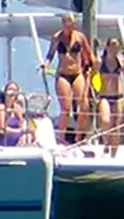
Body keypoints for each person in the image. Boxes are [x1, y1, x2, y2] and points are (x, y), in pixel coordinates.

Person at [40, 14, 95, 145]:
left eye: (71, 23)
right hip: (63, 74)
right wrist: (46, 63)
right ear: (63, 23)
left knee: (85, 106)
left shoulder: (79, 37)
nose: (68, 26)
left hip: (77, 73)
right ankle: (61, 138)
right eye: (66, 23)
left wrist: (92, 66)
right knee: (66, 107)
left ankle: (78, 136)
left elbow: (89, 54)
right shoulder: (57, 38)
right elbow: (50, 54)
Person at [94, 38, 124, 156]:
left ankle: (114, 154)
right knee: (106, 121)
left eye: (116, 46)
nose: (114, 49)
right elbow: (92, 76)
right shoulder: (100, 61)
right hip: (104, 95)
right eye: (112, 46)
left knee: (117, 125)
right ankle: (106, 143)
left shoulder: (121, 61)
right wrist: (94, 92)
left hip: (118, 96)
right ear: (107, 47)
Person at [0, 82, 33, 147]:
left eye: (15, 90)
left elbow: (21, 125)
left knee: (29, 136)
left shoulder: (17, 107)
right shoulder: (0, 107)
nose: (12, 92)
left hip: (14, 140)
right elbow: (2, 130)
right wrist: (20, 131)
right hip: (0, 141)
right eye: (10, 89)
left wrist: (19, 117)